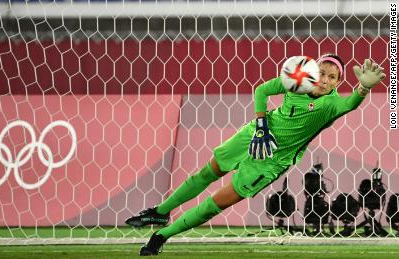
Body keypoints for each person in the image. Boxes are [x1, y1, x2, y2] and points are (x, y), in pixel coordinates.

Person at [125, 54, 386, 256]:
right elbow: (261, 90)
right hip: (254, 135)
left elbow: (350, 103)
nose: (325, 80)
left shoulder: (330, 105)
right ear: (312, 72)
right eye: (322, 73)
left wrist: (362, 88)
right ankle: (160, 211)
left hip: (273, 160)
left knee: (217, 202)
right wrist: (261, 125)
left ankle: (162, 235)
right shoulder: (294, 82)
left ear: (338, 83)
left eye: (332, 77)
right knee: (207, 172)